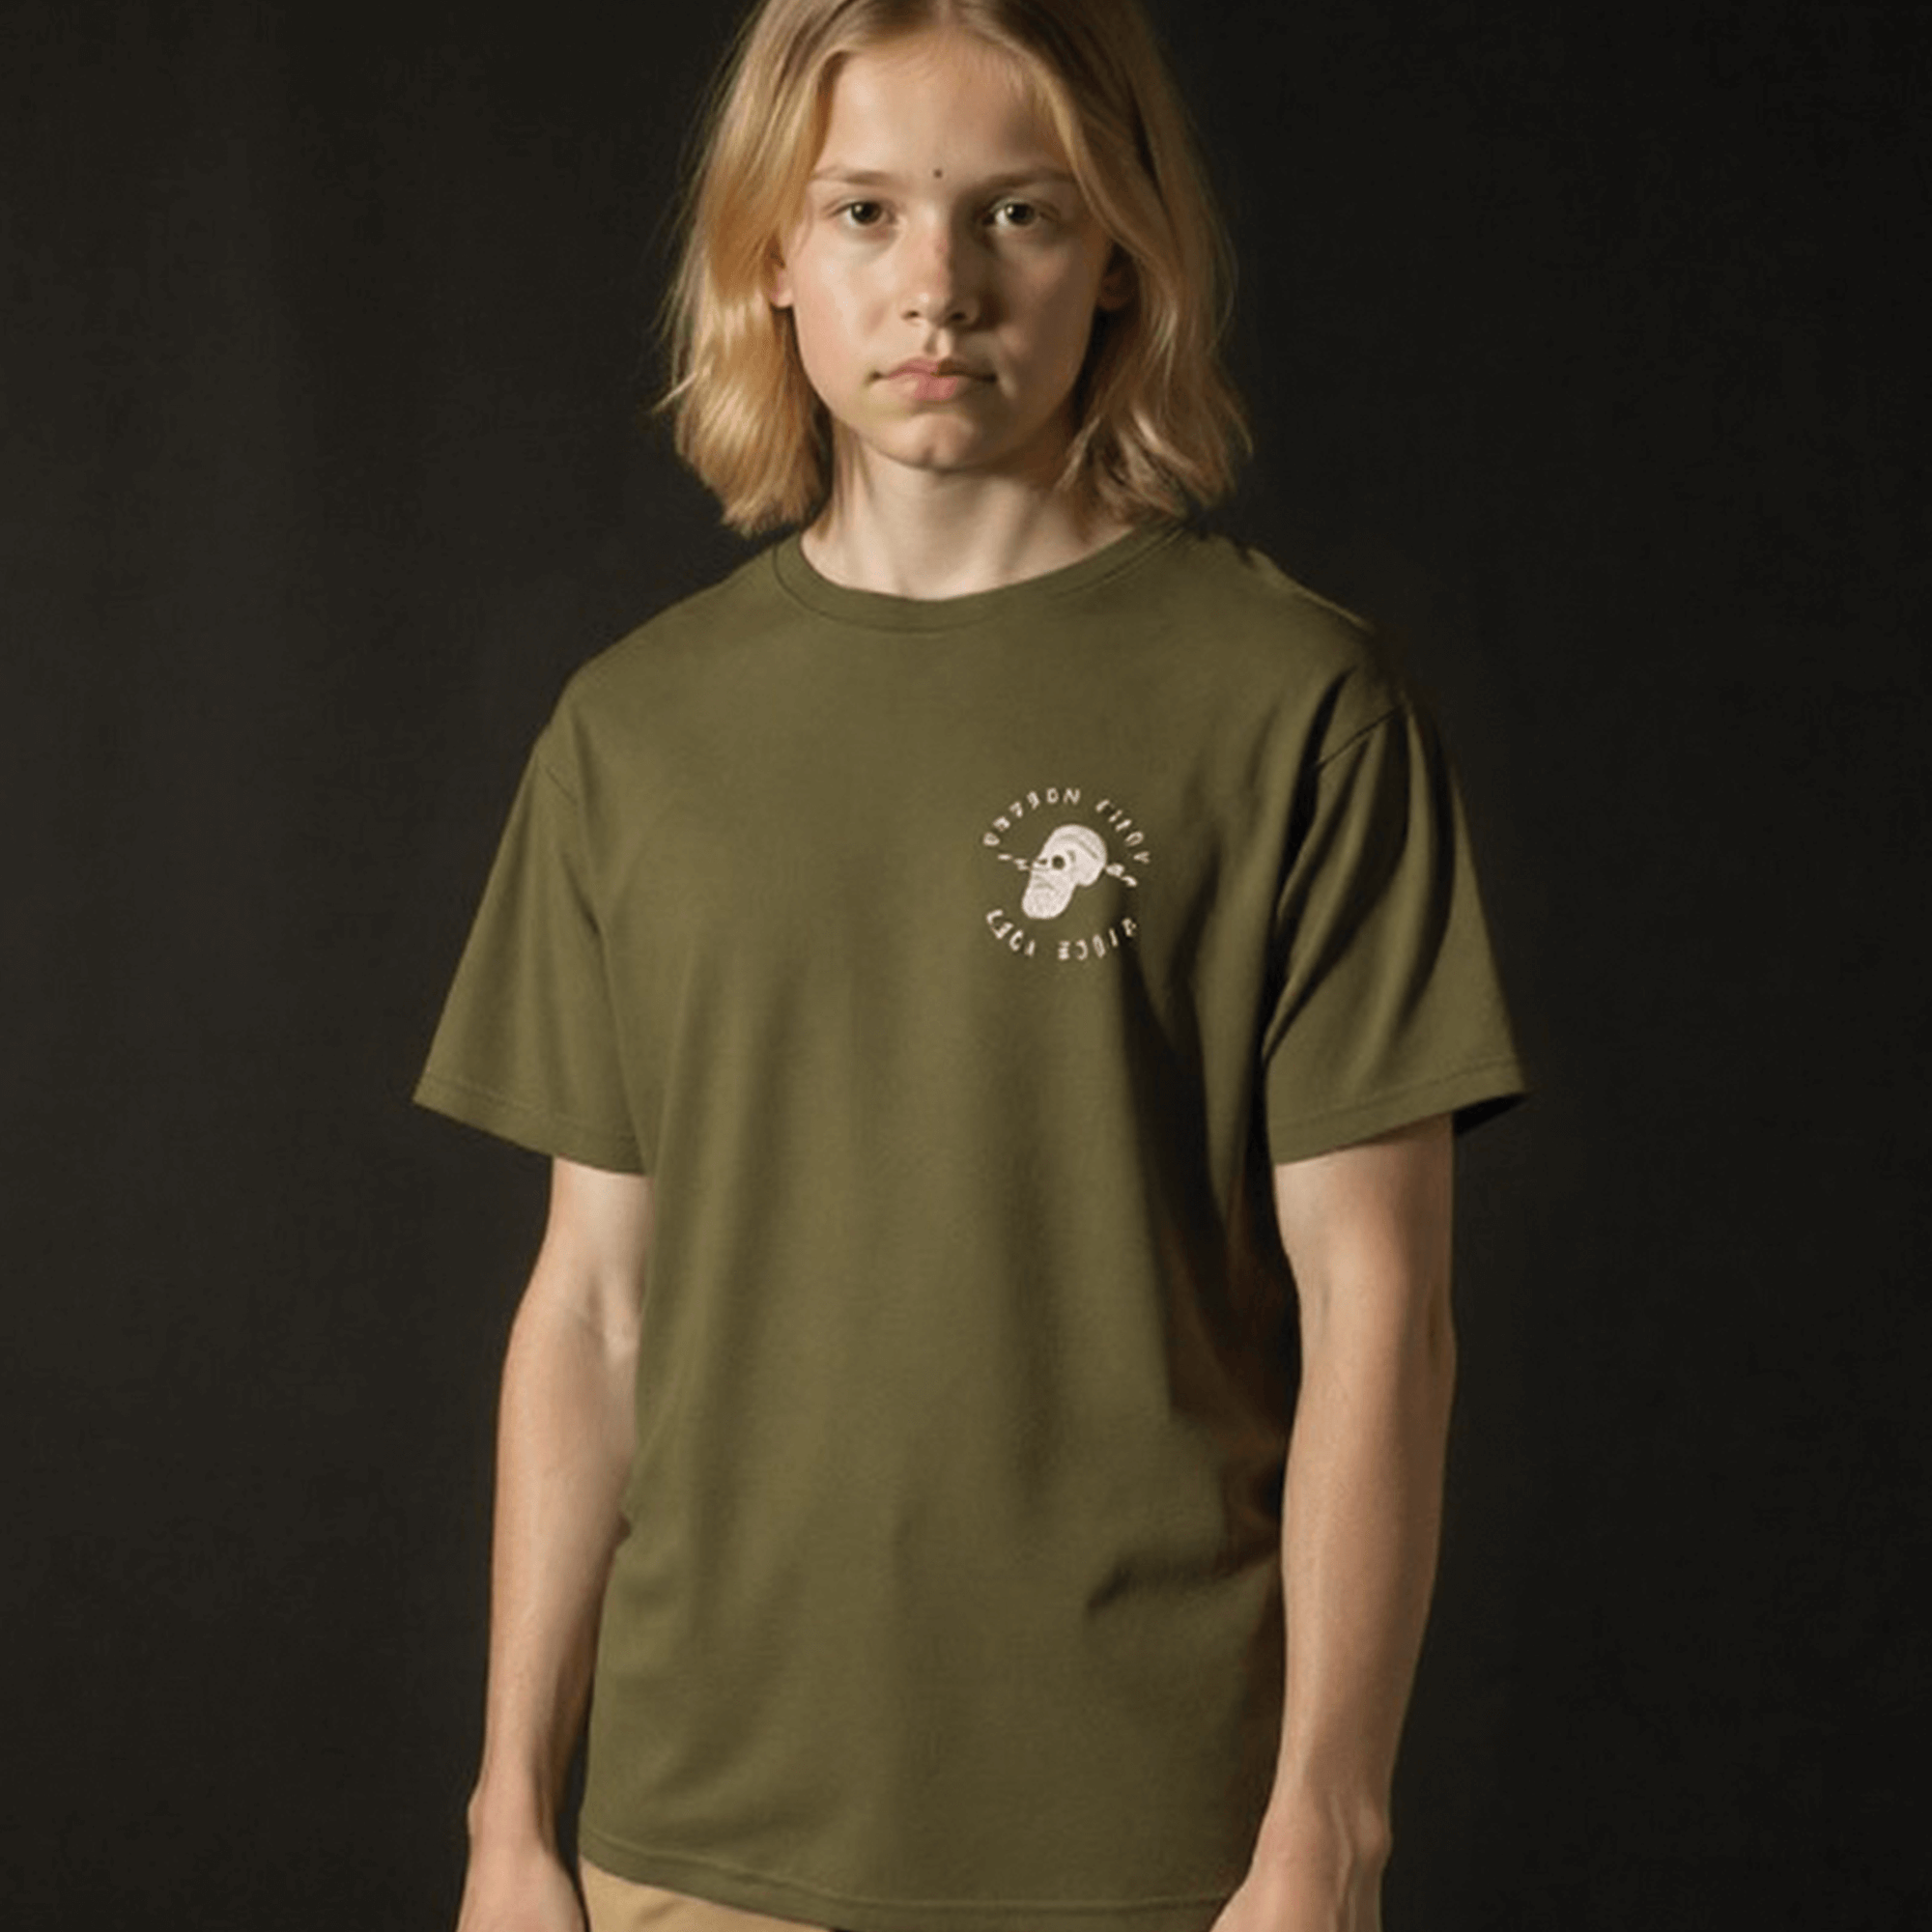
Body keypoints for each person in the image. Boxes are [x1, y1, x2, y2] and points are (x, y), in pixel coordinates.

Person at [416, 2, 1526, 1930]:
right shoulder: (635, 733)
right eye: (864, 210)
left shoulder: (1292, 704)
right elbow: (592, 1309)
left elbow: (1382, 1308)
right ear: (771, 253)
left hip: (1153, 1844)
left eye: (1017, 210)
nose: (936, 285)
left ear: (1121, 257)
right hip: (697, 1838)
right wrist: (510, 1815)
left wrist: (1326, 1835)